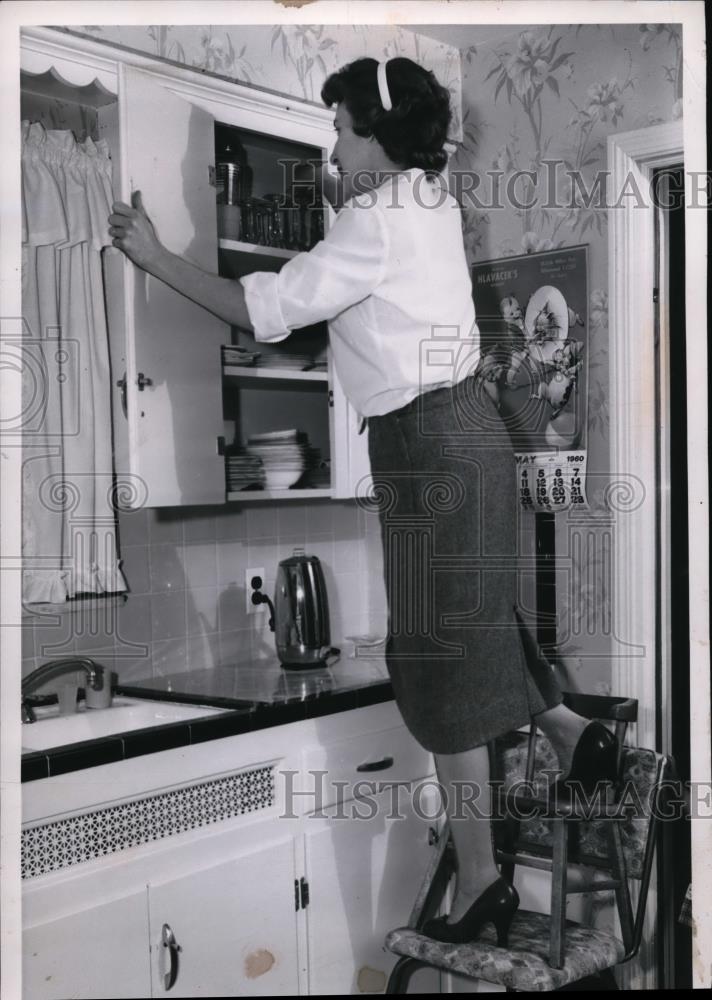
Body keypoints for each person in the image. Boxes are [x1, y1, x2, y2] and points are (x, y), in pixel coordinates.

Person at [109, 55, 618, 948]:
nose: (332, 145)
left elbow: (258, 306)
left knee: (435, 656)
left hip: (427, 443)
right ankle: (573, 733)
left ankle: (483, 885)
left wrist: (156, 258)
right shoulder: (427, 200)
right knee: (475, 625)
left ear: (378, 135)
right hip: (471, 431)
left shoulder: (375, 218)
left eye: (342, 127)